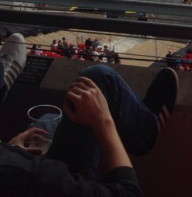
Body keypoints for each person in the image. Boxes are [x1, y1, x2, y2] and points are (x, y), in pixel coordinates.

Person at [0, 33, 179, 197]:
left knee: (47, 121)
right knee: (99, 78)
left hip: (13, 158)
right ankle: (146, 133)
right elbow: (128, 192)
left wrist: (12, 149)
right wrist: (103, 122)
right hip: (31, 176)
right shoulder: (30, 176)